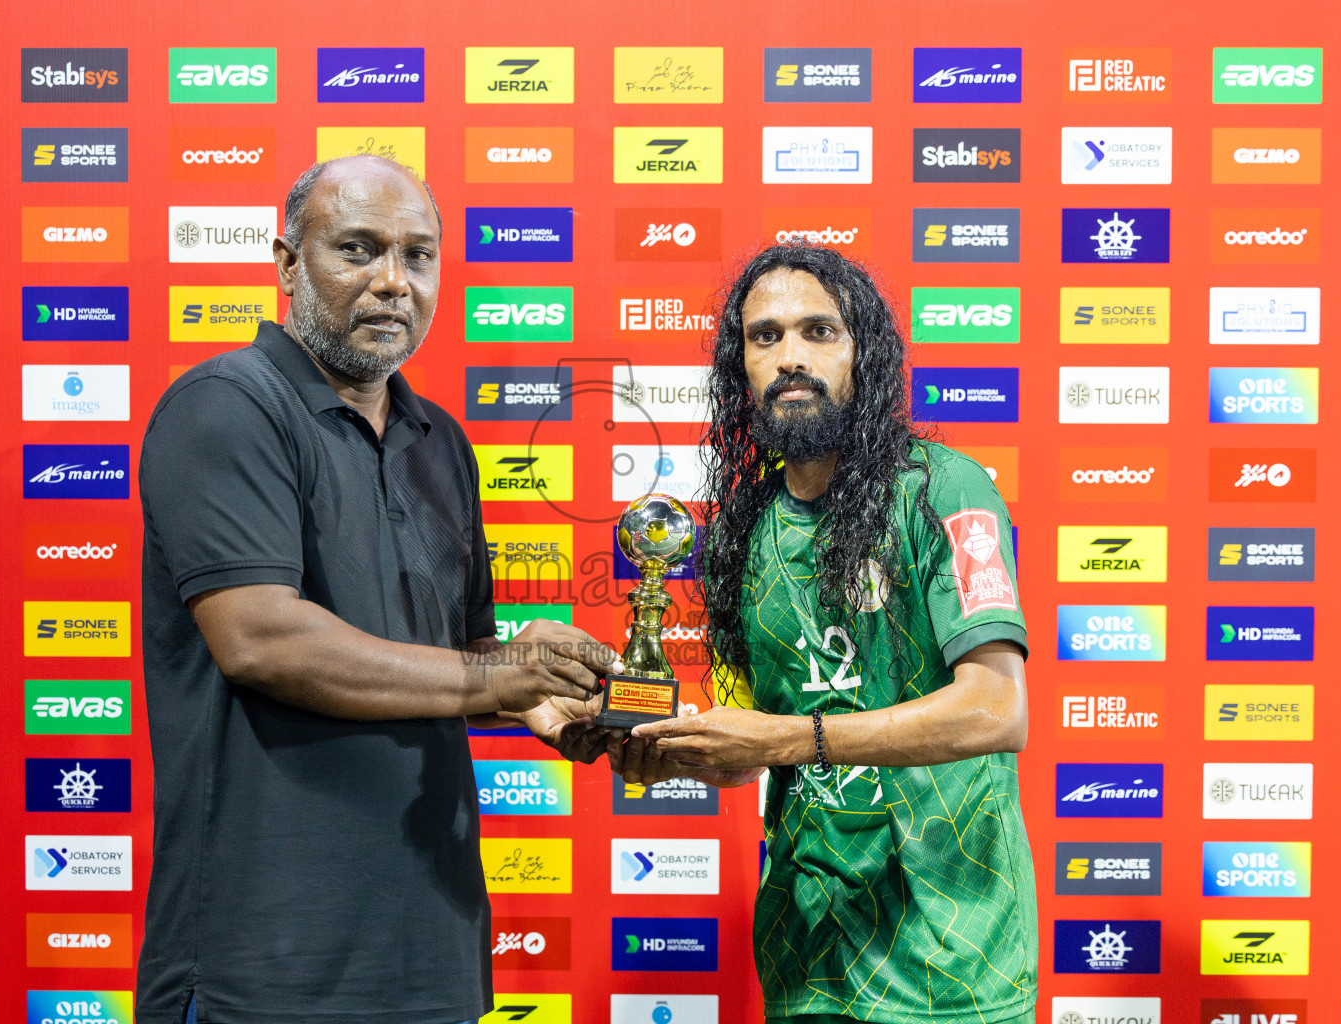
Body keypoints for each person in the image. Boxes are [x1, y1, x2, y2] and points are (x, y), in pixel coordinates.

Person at [136, 155, 621, 1024]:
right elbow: (260, 639)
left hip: (430, 953)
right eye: (358, 249)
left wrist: (547, 694)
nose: (394, 282)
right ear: (288, 262)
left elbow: (463, 653)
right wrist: (488, 680)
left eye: (419, 256)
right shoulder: (225, 408)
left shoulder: (442, 441)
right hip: (263, 960)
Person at [614, 245, 1039, 1024]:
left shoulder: (943, 488)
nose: (791, 359)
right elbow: (755, 747)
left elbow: (996, 710)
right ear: (738, 366)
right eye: (765, 337)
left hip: (951, 955)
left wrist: (785, 740)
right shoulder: (742, 532)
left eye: (819, 331)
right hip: (805, 953)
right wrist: (673, 746)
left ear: (863, 353)